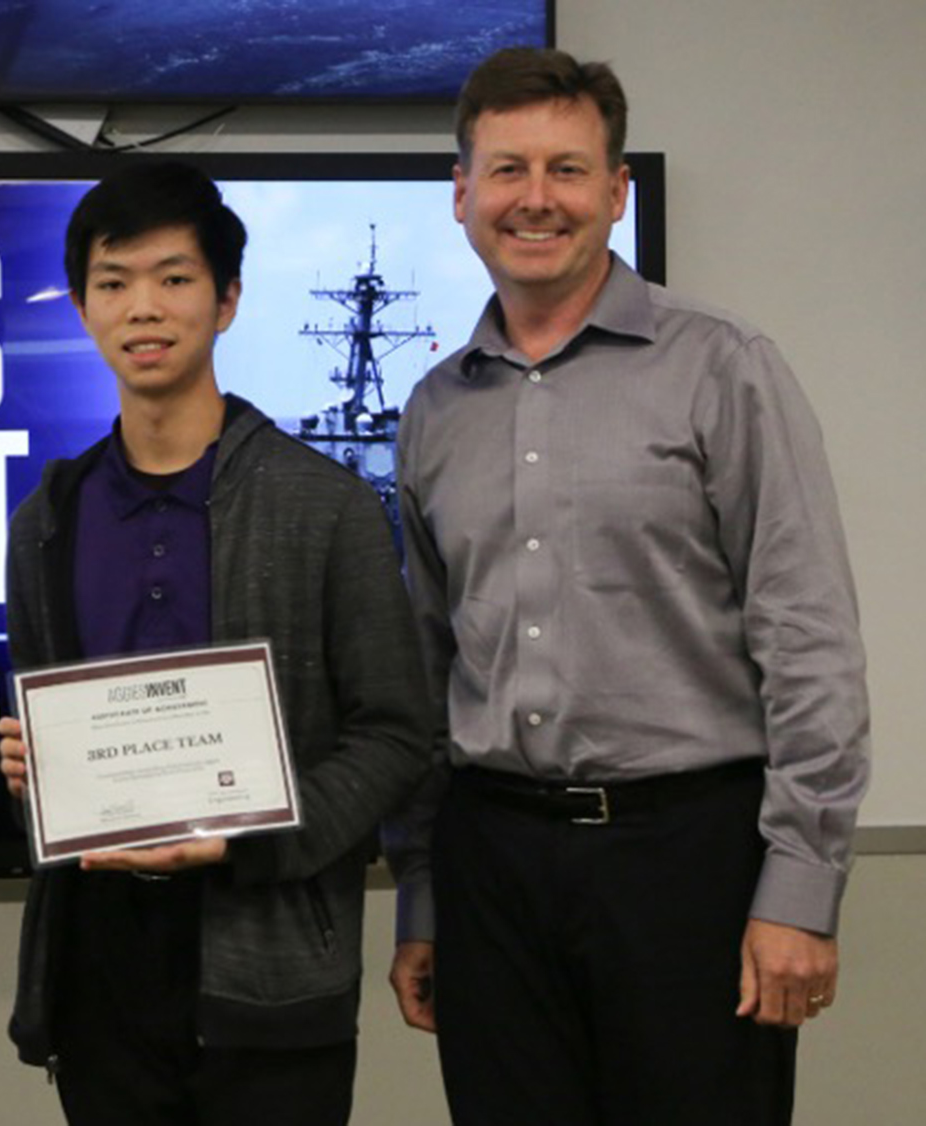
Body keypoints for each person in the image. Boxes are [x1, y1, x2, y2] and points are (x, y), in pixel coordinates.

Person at [382, 47, 872, 1126]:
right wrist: (421, 895)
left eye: (566, 169)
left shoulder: (722, 367)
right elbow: (422, 672)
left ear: (615, 192)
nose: (535, 199)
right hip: (490, 864)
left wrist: (798, 892)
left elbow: (809, 642)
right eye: (506, 170)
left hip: (687, 861)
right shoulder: (432, 410)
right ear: (461, 194)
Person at [0, 162, 433, 1125]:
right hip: (98, 968)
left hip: (271, 969)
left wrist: (252, 833)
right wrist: (35, 764)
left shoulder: (327, 506)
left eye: (174, 277)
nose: (142, 308)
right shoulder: (46, 520)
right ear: (80, 306)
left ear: (227, 300)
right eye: (113, 282)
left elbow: (398, 734)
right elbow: (44, 714)